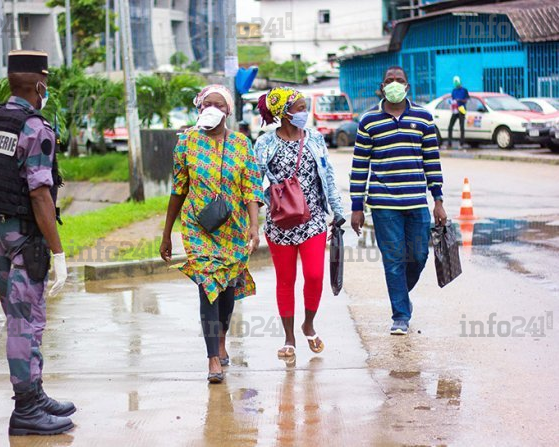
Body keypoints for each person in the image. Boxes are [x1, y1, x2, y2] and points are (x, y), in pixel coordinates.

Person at [0, 50, 74, 435]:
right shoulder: (35, 127)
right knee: (25, 321)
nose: (46, 88)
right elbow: (40, 195)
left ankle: (34, 394)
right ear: (39, 83)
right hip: (24, 236)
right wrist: (58, 251)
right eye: (46, 82)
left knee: (21, 318)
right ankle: (26, 411)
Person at [159, 84, 264, 384]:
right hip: (197, 228)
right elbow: (178, 190)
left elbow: (251, 190)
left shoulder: (242, 145)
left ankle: (221, 338)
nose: (212, 108)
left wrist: (254, 227)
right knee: (208, 287)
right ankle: (212, 359)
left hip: (233, 230)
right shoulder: (186, 143)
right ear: (199, 108)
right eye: (207, 103)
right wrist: (167, 234)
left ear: (229, 111)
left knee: (228, 292)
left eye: (218, 104)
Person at [349, 66, 448, 335]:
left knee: (418, 255)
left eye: (399, 81)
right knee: (393, 260)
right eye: (389, 81)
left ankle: (400, 295)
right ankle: (400, 315)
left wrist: (438, 200)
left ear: (408, 87)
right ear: (382, 87)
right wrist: (356, 207)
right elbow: (360, 167)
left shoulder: (424, 118)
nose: (394, 84)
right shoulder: (368, 121)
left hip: (417, 203)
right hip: (383, 205)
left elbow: (432, 161)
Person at [255, 87, 345, 358]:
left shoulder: (316, 139)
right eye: (300, 108)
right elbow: (253, 181)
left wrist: (337, 212)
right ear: (284, 113)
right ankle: (289, 337)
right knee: (286, 280)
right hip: (279, 223)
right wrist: (262, 207)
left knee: (315, 276)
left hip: (313, 220)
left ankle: (308, 324)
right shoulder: (265, 143)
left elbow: (327, 177)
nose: (305, 113)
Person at [448, 75, 469, 149]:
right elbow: (452, 100)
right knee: (450, 126)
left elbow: (466, 100)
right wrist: (452, 103)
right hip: (455, 109)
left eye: (456, 81)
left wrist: (459, 100)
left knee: (461, 126)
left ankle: (461, 143)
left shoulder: (464, 90)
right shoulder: (453, 91)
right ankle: (449, 143)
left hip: (462, 108)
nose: (456, 83)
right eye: (454, 82)